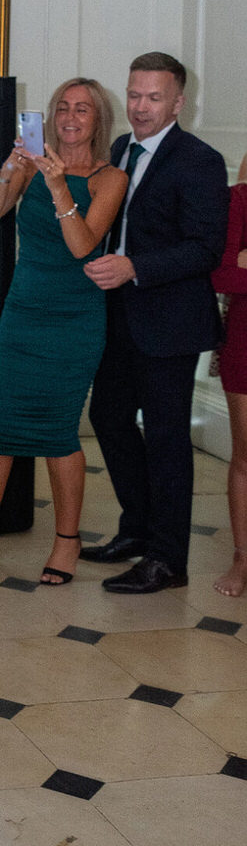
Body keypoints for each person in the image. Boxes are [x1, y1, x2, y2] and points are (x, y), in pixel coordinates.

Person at [0, 79, 126, 583]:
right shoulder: (32, 165)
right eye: (63, 108)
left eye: (82, 110)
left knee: (58, 431)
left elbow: (82, 245)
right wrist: (11, 168)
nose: (70, 118)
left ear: (98, 120)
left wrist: (57, 186)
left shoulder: (109, 177)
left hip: (74, 319)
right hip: (24, 311)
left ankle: (67, 541)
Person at [79, 52, 229, 593]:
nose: (140, 108)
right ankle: (138, 529)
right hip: (118, 316)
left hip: (169, 322)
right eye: (134, 95)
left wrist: (134, 267)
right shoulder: (120, 149)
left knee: (167, 439)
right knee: (110, 417)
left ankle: (168, 560)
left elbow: (206, 249)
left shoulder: (200, 161)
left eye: (154, 98)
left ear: (178, 102)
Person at [210, 178, 247, 596]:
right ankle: (242, 560)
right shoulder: (239, 197)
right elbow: (222, 273)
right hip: (244, 341)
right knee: (245, 455)